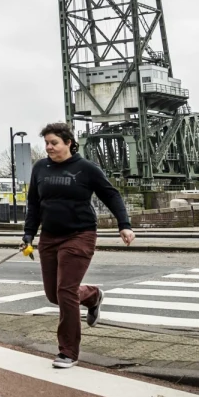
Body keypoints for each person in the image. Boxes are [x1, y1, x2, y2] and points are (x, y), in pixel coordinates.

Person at [21, 122, 135, 369]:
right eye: (46, 143)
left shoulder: (86, 168)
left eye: (54, 143)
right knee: (54, 295)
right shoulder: (40, 168)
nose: (49, 147)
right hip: (49, 236)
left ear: (68, 143)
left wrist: (124, 225)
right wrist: (28, 234)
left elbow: (111, 194)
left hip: (80, 235)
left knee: (65, 291)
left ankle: (68, 352)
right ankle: (93, 296)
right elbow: (34, 204)